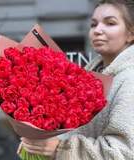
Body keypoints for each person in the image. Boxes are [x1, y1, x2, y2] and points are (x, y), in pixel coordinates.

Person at [17, 0, 134, 159]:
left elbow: (124, 152)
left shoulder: (129, 80)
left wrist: (60, 147)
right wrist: (38, 141)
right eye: (93, 24)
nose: (97, 30)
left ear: (131, 33)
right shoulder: (89, 78)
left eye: (110, 23)